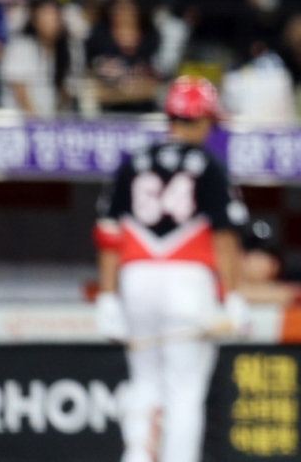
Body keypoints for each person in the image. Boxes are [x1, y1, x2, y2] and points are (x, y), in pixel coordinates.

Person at [93, 76, 249, 462]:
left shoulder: (134, 162)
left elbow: (108, 235)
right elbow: (224, 239)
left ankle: (137, 455)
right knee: (184, 391)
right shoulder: (208, 165)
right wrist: (232, 296)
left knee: (144, 380)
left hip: (136, 278)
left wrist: (108, 296)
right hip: (188, 280)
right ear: (200, 119)